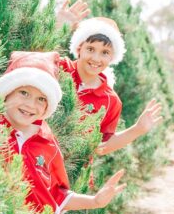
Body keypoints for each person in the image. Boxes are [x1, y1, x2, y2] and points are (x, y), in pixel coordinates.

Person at [0, 51, 126, 214]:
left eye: (41, 99)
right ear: (7, 92)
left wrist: (94, 201)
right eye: (24, 93)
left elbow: (56, 195)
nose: (31, 105)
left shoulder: (47, 142)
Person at [59, 17, 163, 156]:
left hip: (73, 173)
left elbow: (100, 147)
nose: (96, 58)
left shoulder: (110, 101)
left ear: (112, 57)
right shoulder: (58, 68)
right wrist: (58, 26)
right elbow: (27, 60)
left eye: (105, 52)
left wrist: (137, 129)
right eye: (90, 49)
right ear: (79, 48)